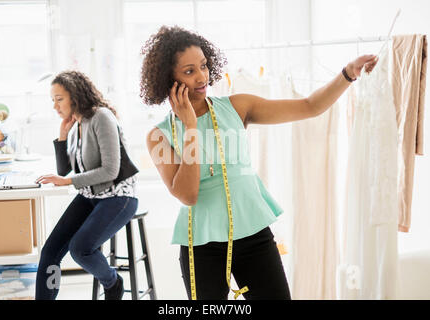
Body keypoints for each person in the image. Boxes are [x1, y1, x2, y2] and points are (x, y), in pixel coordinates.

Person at [142, 25, 377, 300]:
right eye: (189, 71)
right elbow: (188, 195)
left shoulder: (238, 106)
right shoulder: (158, 136)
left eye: (204, 66)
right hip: (200, 247)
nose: (202, 76)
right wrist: (190, 127)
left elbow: (310, 106)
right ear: (168, 79)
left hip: (253, 234)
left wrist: (348, 74)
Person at [35, 71, 139, 300]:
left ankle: (113, 282)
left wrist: (69, 181)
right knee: (50, 253)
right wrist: (62, 136)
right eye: (52, 100)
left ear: (75, 95)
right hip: (91, 196)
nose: (55, 106)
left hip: (119, 196)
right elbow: (64, 170)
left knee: (79, 248)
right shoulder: (77, 125)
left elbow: (110, 171)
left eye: (59, 99)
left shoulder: (102, 117)